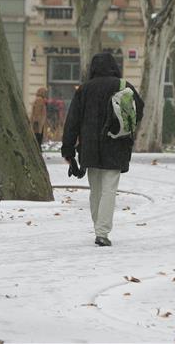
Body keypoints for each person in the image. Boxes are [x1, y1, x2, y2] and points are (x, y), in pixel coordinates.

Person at [61, 53, 144, 247]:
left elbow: (72, 121)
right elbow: (138, 110)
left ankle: (99, 226)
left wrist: (68, 149)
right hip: (115, 143)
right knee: (109, 189)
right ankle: (102, 232)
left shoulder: (84, 89)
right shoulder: (124, 86)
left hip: (89, 147)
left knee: (95, 190)